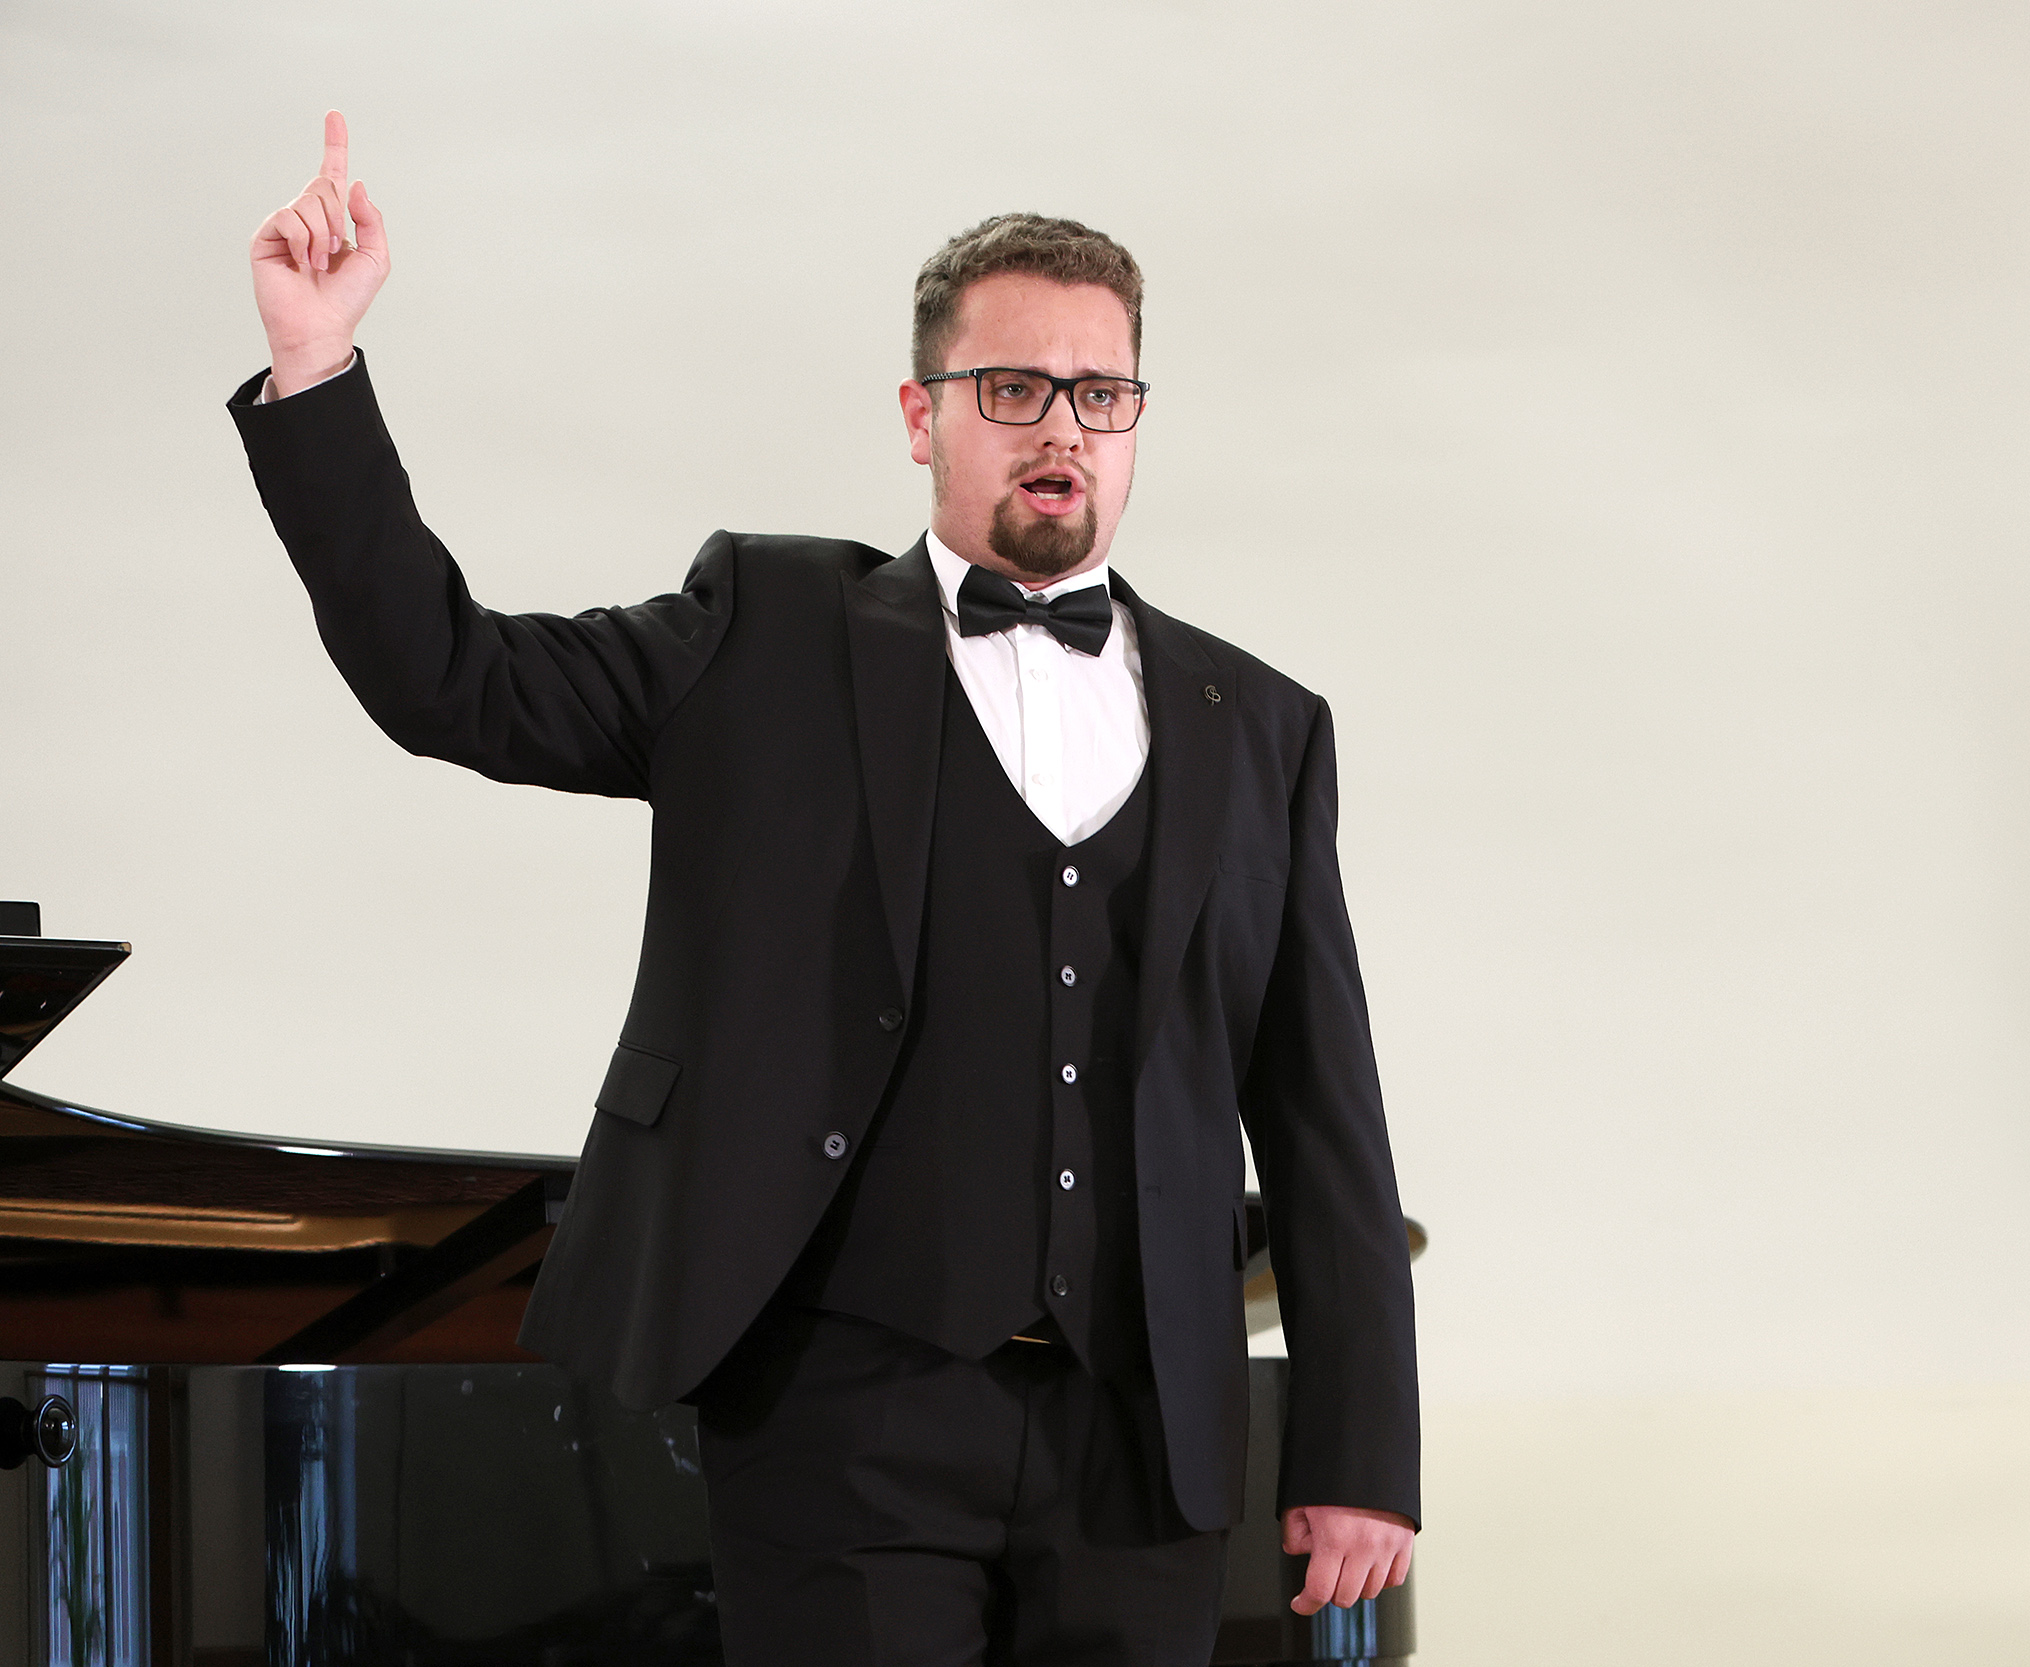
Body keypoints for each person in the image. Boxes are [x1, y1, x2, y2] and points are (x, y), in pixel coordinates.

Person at [231, 111, 1420, 1663]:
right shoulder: (766, 631)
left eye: (1101, 393)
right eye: (1012, 388)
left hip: (1144, 1433)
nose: (1061, 427)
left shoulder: (1258, 723)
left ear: (1135, 417)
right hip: (844, 1411)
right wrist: (316, 368)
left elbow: (1323, 1109)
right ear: (922, 416)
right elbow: (451, 679)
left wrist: (1359, 1448)